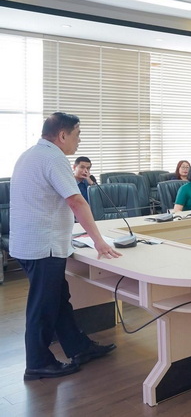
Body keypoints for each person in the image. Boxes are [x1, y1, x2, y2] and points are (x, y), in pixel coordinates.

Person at [10, 112, 120, 380]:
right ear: (62, 135)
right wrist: (99, 241)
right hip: (43, 246)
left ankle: (79, 347)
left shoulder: (30, 154)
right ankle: (38, 363)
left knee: (58, 299)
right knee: (43, 306)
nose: (79, 140)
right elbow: (76, 201)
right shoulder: (54, 158)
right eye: (77, 134)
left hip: (29, 242)